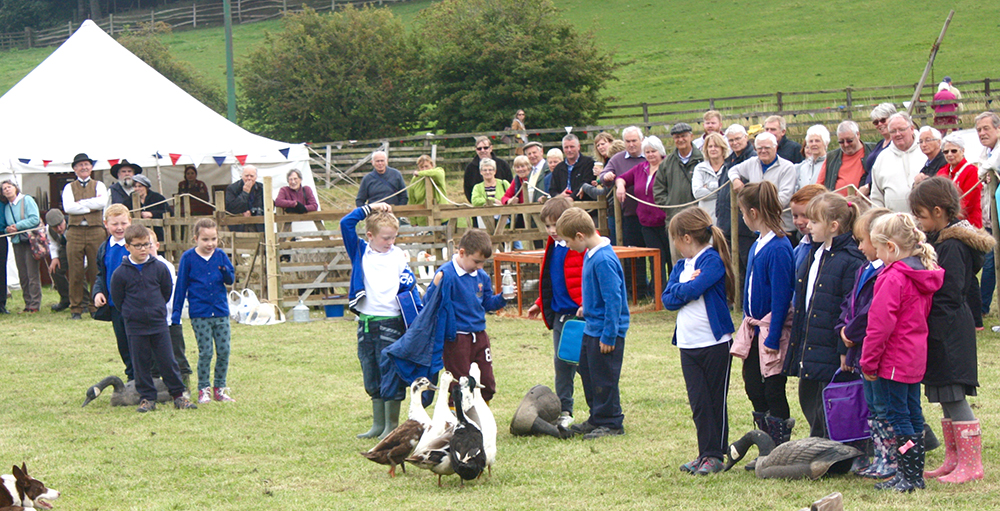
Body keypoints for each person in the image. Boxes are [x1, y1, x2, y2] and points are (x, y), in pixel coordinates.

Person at [910, 177, 990, 484]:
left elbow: (951, 291)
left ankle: (972, 464)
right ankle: (954, 458)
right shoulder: (939, 240)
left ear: (939, 210)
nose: (918, 220)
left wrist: (932, 330)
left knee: (955, 395)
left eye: (921, 214)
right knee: (944, 393)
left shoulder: (953, 246)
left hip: (950, 330)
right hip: (942, 328)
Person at [861, 212, 944, 493]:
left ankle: (908, 475)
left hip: (895, 358)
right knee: (912, 411)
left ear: (891, 248)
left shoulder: (893, 277)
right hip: (914, 354)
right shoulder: (921, 273)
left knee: (899, 415)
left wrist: (868, 362)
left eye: (880, 249)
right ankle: (914, 473)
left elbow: (880, 324)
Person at [661, 206, 736, 475]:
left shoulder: (712, 260)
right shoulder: (682, 266)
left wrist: (684, 288)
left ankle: (716, 454)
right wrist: (685, 287)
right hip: (688, 344)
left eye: (676, 240)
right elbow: (667, 299)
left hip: (714, 343)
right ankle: (705, 453)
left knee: (716, 400)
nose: (676, 247)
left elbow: (694, 289)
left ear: (687, 238)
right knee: (699, 403)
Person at [785, 193, 866, 439]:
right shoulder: (814, 252)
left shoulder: (850, 260)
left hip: (831, 344)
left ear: (834, 226)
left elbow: (849, 307)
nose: (807, 225)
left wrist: (844, 347)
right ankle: (818, 438)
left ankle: (830, 443)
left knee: (829, 397)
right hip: (811, 342)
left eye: (814, 221)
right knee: (808, 393)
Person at [341, 202, 419, 439]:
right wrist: (370, 208)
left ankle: (391, 425)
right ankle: (377, 424)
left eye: (393, 237)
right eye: (385, 238)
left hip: (391, 322)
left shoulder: (397, 256)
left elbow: (409, 287)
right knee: (370, 369)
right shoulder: (360, 250)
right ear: (370, 235)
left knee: (390, 371)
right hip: (366, 321)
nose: (389, 242)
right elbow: (346, 223)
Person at [730, 181, 795, 452]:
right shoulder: (759, 243)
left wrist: (774, 334)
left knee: (773, 387)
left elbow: (781, 296)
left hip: (770, 330)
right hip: (755, 329)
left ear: (754, 213)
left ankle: (779, 446)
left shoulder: (779, 247)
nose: (743, 218)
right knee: (754, 385)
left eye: (743, 212)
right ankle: (765, 442)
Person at [558, 207, 629, 440]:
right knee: (587, 372)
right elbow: (598, 291)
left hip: (605, 332)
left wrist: (609, 335)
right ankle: (597, 417)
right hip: (591, 326)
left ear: (580, 236)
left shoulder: (603, 259)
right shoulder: (590, 253)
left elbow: (613, 299)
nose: (567, 246)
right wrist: (586, 307)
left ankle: (611, 421)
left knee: (604, 377)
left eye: (568, 241)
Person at [109, 224, 197, 412]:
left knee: (168, 361)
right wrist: (132, 313)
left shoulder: (159, 268)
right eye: (138, 245)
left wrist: (156, 310)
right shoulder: (120, 273)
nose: (143, 249)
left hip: (158, 324)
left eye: (146, 244)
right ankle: (147, 398)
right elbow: (118, 299)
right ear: (128, 247)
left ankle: (178, 396)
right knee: (141, 363)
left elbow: (166, 291)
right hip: (135, 326)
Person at [839, 207, 896, 479]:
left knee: (883, 405)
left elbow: (871, 312)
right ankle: (879, 455)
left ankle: (891, 458)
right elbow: (849, 303)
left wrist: (851, 331)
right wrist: (843, 328)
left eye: (862, 241)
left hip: (874, 350)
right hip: (859, 349)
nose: (859, 247)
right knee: (872, 406)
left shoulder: (885, 274)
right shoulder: (864, 269)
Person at [427, 229, 506, 402]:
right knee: (459, 383)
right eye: (476, 261)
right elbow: (429, 303)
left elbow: (486, 304)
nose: (479, 267)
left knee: (486, 381)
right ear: (462, 253)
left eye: (483, 263)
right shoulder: (446, 274)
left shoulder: (481, 276)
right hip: (457, 338)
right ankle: (456, 422)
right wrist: (434, 286)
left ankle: (481, 419)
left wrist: (503, 298)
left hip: (479, 335)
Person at [527, 197, 585, 429]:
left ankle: (601, 408)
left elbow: (585, 279)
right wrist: (541, 302)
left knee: (583, 365)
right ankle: (565, 410)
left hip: (578, 316)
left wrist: (586, 303)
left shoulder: (579, 247)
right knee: (562, 365)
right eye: (547, 226)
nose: (551, 231)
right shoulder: (553, 246)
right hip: (559, 315)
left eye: (555, 225)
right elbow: (553, 280)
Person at [172, 218, 237, 404]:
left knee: (224, 350)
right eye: (205, 240)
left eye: (214, 239)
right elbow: (181, 286)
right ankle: (203, 389)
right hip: (200, 313)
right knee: (206, 351)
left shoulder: (221, 256)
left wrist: (225, 271)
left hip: (221, 311)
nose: (210, 244)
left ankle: (220, 388)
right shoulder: (188, 258)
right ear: (196, 239)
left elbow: (230, 279)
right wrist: (176, 313)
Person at [599, 126, 648, 295]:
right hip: (629, 214)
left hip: (652, 213)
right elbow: (604, 174)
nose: (631, 144)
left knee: (655, 252)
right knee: (633, 254)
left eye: (634, 141)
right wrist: (607, 177)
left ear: (641, 140)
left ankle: (656, 289)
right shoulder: (617, 159)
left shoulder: (649, 155)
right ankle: (637, 290)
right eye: (628, 141)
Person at [616, 136, 670, 285]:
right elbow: (622, 178)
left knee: (671, 257)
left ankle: (673, 290)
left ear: (660, 151)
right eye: (647, 152)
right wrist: (620, 186)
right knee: (655, 258)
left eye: (653, 151)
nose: (651, 154)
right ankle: (658, 291)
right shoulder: (641, 168)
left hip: (666, 220)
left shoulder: (668, 167)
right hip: (646, 223)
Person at [63, 152, 109, 320]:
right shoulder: (69, 187)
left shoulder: (99, 185)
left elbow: (102, 203)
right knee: (75, 271)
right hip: (74, 230)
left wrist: (80, 204)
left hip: (96, 229)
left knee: (96, 269)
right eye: (80, 165)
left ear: (91, 167)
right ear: (75, 169)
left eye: (86, 164)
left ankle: (94, 306)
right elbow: (68, 208)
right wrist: (91, 205)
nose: (83, 167)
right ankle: (76, 308)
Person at [92, 204, 135, 381]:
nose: (119, 228)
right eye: (114, 224)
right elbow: (101, 274)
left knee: (138, 343)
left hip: (134, 304)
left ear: (130, 222)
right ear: (106, 224)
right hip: (115, 306)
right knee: (123, 343)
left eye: (123, 223)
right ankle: (131, 377)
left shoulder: (133, 246)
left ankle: (144, 376)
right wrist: (98, 292)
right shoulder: (104, 248)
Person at [148, 227, 193, 391]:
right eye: (142, 246)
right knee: (152, 358)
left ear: (157, 245)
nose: (147, 249)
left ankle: (184, 387)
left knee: (176, 355)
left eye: (150, 245)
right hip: (150, 322)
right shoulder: (139, 266)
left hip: (169, 320)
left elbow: (168, 294)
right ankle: (155, 388)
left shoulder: (164, 266)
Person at [654, 122, 704, 268]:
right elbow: (658, 189)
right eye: (677, 137)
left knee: (700, 258)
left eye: (684, 136)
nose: (680, 140)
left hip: (698, 219)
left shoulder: (702, 159)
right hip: (674, 220)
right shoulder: (667, 163)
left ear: (691, 136)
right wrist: (670, 206)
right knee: (678, 260)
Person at [728, 132, 797, 233]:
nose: (763, 151)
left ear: (775, 148)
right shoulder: (752, 162)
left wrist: (759, 208)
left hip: (781, 228)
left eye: (767, 148)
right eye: (759, 148)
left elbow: (784, 197)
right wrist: (736, 180)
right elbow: (733, 170)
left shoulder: (787, 167)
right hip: (758, 228)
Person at [716, 124, 758, 275]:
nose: (735, 143)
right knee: (731, 268)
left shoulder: (753, 160)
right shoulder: (729, 161)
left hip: (745, 225)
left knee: (747, 267)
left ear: (746, 138)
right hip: (727, 223)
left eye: (738, 139)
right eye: (731, 140)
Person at [870, 113, 925, 212]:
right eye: (893, 131)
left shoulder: (925, 151)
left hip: (926, 222)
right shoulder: (882, 158)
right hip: (894, 223)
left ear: (912, 129)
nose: (898, 134)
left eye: (902, 129)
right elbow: (876, 197)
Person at [1, 180, 42, 312]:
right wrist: (9, 230)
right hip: (17, 242)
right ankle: (27, 303)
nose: (7, 190)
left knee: (32, 273)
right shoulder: (7, 207)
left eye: (9, 187)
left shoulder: (26, 200)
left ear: (15, 188)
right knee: (23, 274)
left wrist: (17, 226)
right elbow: (7, 226)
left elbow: (34, 218)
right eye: (4, 189)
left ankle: (35, 304)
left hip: (29, 240)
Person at [975, 112, 1000, 318]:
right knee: (990, 262)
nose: (982, 133)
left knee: (992, 263)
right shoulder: (986, 153)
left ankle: (983, 306)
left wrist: (983, 170)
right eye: (979, 130)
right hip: (992, 218)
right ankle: (982, 307)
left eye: (986, 129)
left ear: (998, 129)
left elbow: (988, 169)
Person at [938, 134, 982, 229]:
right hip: (947, 221)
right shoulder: (942, 171)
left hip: (969, 223)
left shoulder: (972, 171)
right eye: (946, 152)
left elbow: (967, 202)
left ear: (962, 151)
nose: (949, 154)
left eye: (954, 151)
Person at [817, 121, 874, 194]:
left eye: (849, 140)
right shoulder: (831, 157)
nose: (846, 144)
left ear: (858, 135)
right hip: (837, 204)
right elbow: (819, 186)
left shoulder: (873, 151)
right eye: (841, 142)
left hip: (866, 203)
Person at [789, 184, 828, 272]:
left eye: (805, 216)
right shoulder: (800, 247)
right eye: (795, 216)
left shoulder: (824, 248)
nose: (799, 221)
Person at [861, 103, 899, 193]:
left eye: (883, 120)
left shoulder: (896, 145)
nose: (879, 124)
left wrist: (868, 187)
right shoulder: (879, 144)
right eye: (876, 122)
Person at [692, 133, 729, 223]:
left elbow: (730, 193)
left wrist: (709, 185)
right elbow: (697, 193)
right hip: (706, 219)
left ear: (722, 148)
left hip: (726, 218)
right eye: (710, 146)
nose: (713, 149)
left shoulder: (730, 167)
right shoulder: (699, 168)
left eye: (716, 146)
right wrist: (722, 189)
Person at [464, 137, 513, 201]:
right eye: (479, 148)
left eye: (485, 148)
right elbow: (467, 189)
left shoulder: (502, 165)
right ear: (476, 150)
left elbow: (511, 185)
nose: (482, 150)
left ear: (491, 148)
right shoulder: (470, 168)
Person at [549, 134, 596, 199]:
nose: (569, 150)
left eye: (572, 147)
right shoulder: (558, 168)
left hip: (584, 204)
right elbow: (552, 189)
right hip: (562, 204)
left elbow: (586, 183)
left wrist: (572, 197)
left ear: (578, 147)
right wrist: (560, 196)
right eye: (566, 147)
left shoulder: (588, 163)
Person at [407, 155, 448, 226]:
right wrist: (413, 221)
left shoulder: (438, 172)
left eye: (426, 166)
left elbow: (438, 173)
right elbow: (411, 201)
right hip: (422, 220)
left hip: (441, 217)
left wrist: (420, 173)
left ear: (432, 165)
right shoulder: (415, 180)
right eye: (421, 167)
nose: (424, 169)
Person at [132, 175, 170, 248]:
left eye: (140, 186)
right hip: (137, 235)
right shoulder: (129, 200)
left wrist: (152, 214)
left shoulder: (157, 198)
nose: (137, 189)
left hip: (157, 233)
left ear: (146, 187)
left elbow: (168, 212)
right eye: (135, 186)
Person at [45, 209, 71, 312]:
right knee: (55, 270)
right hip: (64, 248)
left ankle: (84, 302)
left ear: (64, 220)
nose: (59, 228)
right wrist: (55, 258)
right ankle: (66, 299)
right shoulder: (49, 229)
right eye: (55, 227)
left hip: (79, 248)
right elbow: (53, 243)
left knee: (77, 272)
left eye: (60, 224)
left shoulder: (73, 224)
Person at [225, 165, 264, 232]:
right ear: (242, 176)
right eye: (246, 176)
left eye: (252, 176)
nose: (249, 178)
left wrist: (252, 211)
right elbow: (231, 207)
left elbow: (264, 205)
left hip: (257, 225)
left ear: (256, 177)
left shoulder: (261, 187)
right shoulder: (232, 188)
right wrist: (245, 193)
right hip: (238, 225)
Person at [796, 125, 829, 191]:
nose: (814, 144)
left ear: (826, 143)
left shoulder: (830, 164)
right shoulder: (803, 167)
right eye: (811, 141)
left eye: (817, 141)